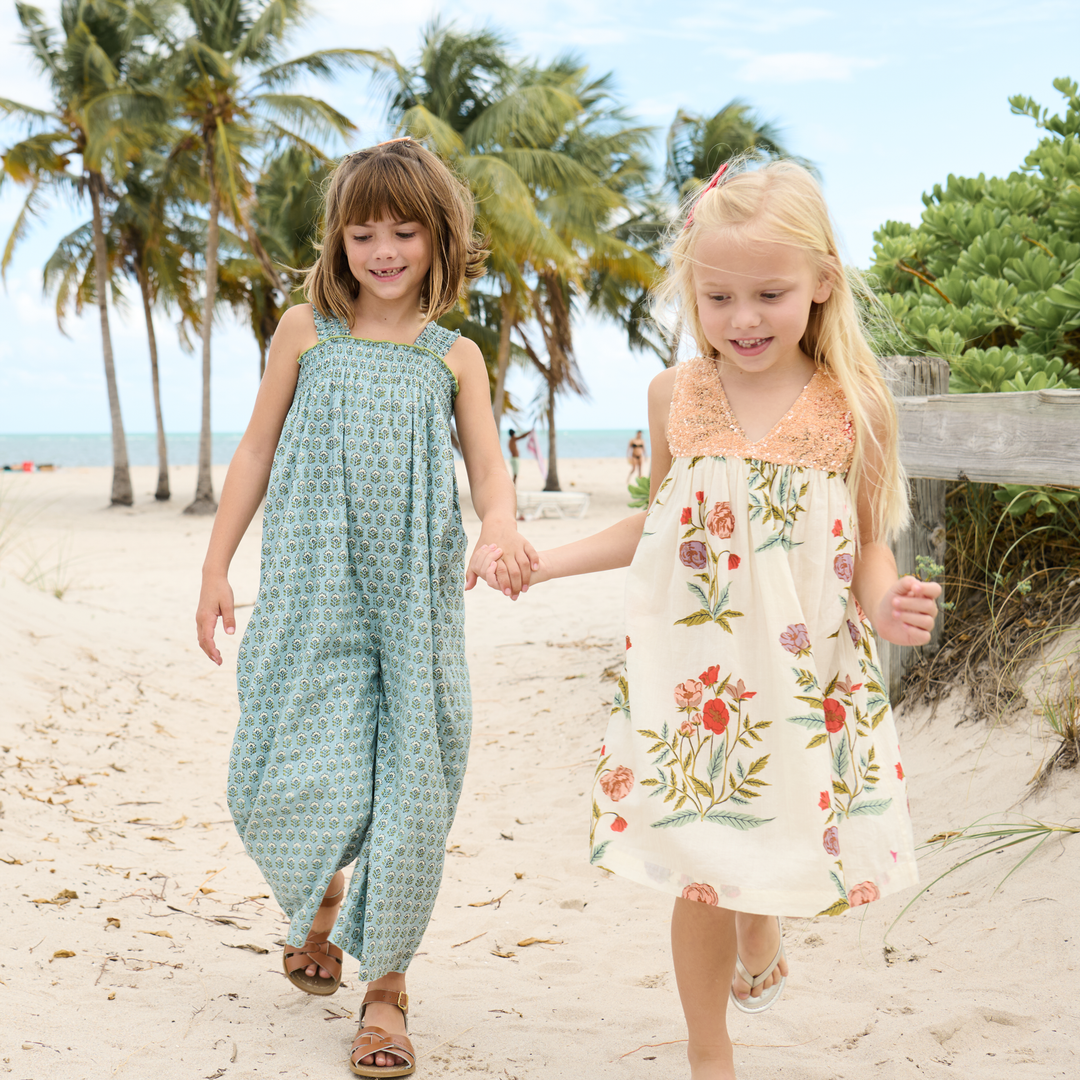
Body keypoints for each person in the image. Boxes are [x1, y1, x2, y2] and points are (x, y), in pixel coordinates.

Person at [478, 158, 941, 1079]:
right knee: (701, 866)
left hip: (803, 679)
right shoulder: (674, 396)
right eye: (718, 295)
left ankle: (761, 920)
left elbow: (870, 538)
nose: (743, 319)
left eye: (769, 293)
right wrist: (545, 561)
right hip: (697, 685)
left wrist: (886, 604)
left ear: (822, 283)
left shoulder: (858, 407)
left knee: (767, 852)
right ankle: (708, 1054)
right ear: (693, 292)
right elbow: (656, 521)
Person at [194, 138, 536, 1078]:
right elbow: (257, 450)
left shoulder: (454, 355)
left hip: (414, 601)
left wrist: (497, 530)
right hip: (314, 589)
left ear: (438, 239)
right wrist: (217, 564)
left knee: (412, 785)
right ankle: (322, 897)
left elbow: (489, 470)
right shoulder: (306, 331)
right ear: (339, 240)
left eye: (404, 231)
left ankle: (384, 992)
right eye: (363, 231)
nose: (382, 250)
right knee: (292, 764)